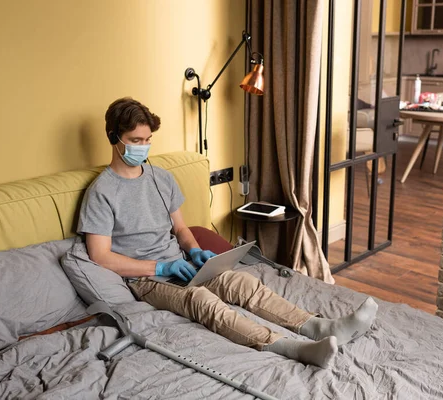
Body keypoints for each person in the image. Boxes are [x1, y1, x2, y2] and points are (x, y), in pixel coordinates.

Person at [77, 97, 378, 369]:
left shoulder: (161, 177)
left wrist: (194, 251)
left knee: (241, 282)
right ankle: (295, 348)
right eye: (135, 140)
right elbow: (100, 256)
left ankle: (320, 328)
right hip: (146, 278)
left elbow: (181, 228)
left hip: (183, 263)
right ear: (114, 138)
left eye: (148, 139)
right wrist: (161, 267)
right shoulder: (102, 192)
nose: (143, 147)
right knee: (202, 301)